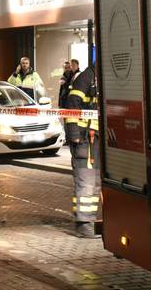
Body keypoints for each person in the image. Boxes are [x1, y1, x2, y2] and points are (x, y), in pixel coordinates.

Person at [64, 65, 101, 238]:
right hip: (86, 140)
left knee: (96, 183)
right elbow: (71, 106)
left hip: (100, 140)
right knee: (86, 182)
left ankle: (90, 220)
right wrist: (74, 135)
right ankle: (84, 223)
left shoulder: (101, 77)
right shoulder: (86, 78)